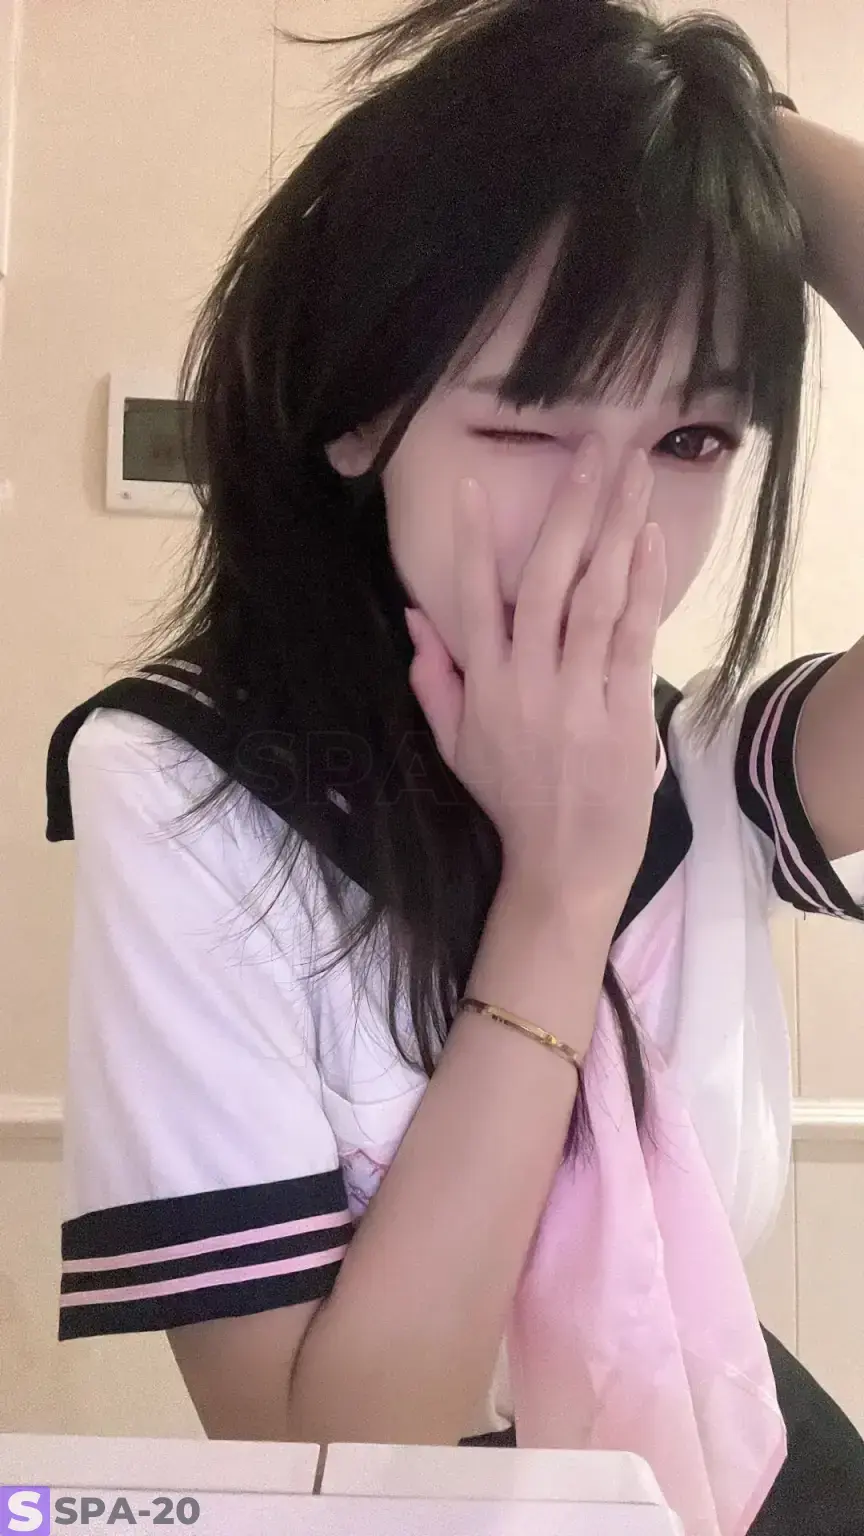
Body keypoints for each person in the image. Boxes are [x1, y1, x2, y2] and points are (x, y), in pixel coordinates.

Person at [45, 1, 864, 1530]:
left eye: (692, 442)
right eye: (530, 428)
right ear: (364, 414)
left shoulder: (708, 765)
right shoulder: (186, 787)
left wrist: (725, 142)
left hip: (745, 1461)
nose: (607, 530)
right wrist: (561, 891)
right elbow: (347, 1450)